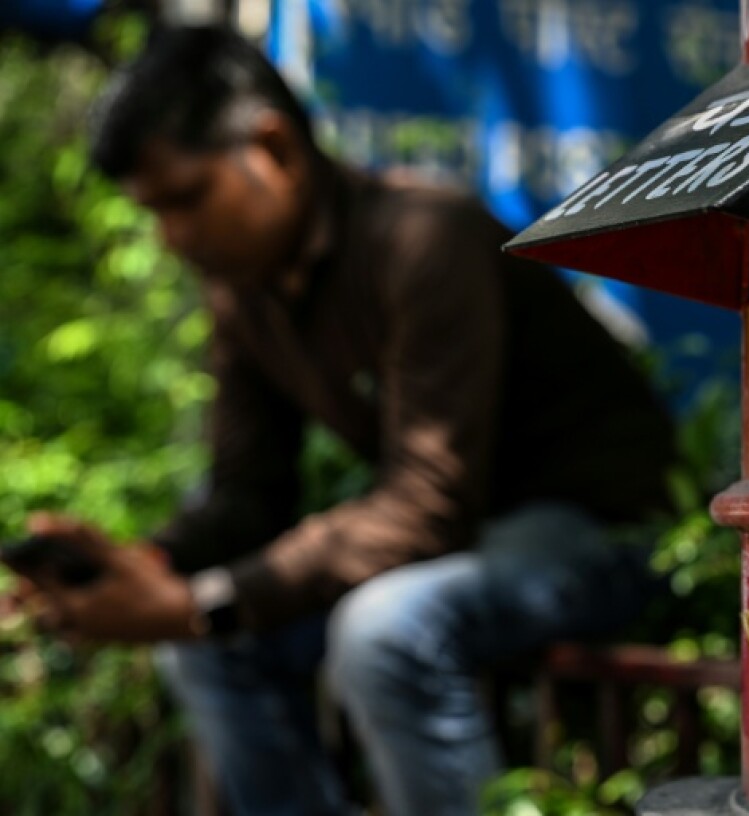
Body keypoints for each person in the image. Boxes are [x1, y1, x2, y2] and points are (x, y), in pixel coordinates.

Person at [18, 22, 678, 816]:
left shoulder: (424, 237)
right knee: (205, 653)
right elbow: (246, 495)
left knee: (382, 631)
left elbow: (426, 505)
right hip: (465, 541)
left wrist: (204, 601)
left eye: (186, 199)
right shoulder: (243, 290)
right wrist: (148, 565)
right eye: (154, 212)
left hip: (598, 530)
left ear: (276, 149)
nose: (171, 238)